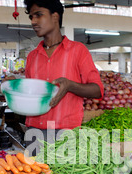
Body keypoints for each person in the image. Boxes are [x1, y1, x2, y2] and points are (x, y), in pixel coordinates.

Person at [21, 0, 104, 156]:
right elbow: (30, 93)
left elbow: (98, 90)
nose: (33, 21)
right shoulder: (32, 56)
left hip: (65, 133)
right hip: (34, 131)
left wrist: (70, 86)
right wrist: (15, 87)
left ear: (55, 17)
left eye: (39, 15)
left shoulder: (78, 51)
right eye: (31, 17)